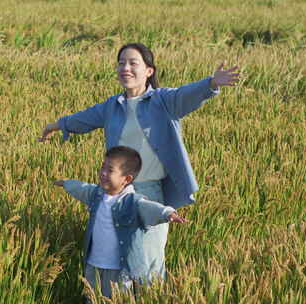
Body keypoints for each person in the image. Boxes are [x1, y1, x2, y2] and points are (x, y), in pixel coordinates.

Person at [40, 43, 240, 283]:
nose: (126, 67)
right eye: (121, 62)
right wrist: (55, 126)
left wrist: (211, 83)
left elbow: (186, 95)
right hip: (117, 195)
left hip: (150, 193)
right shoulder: (112, 106)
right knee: (115, 263)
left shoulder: (164, 101)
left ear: (149, 71)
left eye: (133, 63)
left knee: (146, 265)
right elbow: (83, 119)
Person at [54, 146, 187, 300]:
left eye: (110, 170)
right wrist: (67, 183)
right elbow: (83, 188)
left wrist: (167, 213)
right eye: (102, 167)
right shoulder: (97, 195)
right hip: (94, 264)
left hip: (119, 270)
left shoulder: (133, 202)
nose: (103, 173)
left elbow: (150, 208)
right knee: (91, 298)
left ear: (127, 179)